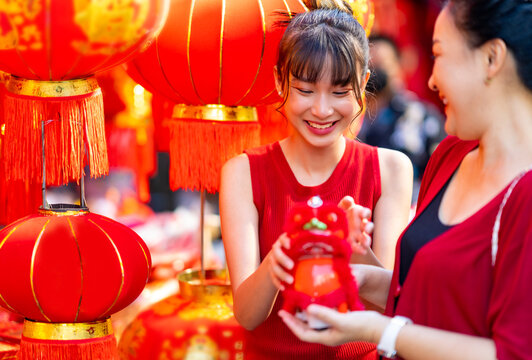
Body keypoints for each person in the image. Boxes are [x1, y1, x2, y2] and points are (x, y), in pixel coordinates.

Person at [278, 1, 532, 359]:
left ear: (492, 58)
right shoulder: (450, 156)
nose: (430, 79)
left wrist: (378, 330)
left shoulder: (524, 192)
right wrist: (363, 276)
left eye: (439, 55)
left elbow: (513, 352)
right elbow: (423, 294)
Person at [219, 0, 413, 358]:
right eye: (306, 91)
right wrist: (278, 260)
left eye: (340, 92)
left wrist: (358, 251)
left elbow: (393, 304)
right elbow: (247, 315)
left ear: (363, 83)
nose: (322, 110)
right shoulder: (243, 172)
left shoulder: (390, 169)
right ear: (280, 82)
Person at [358, 34, 446, 199]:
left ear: (398, 66)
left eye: (383, 65)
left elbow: (441, 174)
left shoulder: (421, 116)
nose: (377, 73)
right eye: (371, 65)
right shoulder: (352, 118)